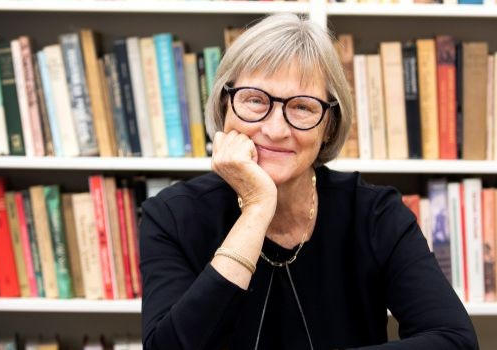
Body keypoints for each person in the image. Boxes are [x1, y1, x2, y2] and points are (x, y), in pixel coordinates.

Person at [139, 13, 478, 350]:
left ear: (329, 125)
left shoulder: (374, 214)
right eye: (255, 100)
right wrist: (257, 209)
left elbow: (454, 340)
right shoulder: (171, 217)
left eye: (301, 107)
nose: (275, 129)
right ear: (225, 105)